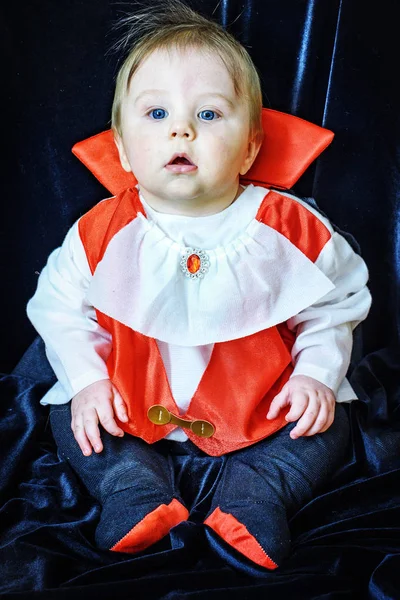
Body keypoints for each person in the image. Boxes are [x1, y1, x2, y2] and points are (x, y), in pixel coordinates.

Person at [26, 0, 371, 574]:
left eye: (209, 115)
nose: (181, 128)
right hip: (131, 399)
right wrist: (87, 381)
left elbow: (338, 305)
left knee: (328, 420)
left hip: (263, 402)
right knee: (72, 415)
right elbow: (59, 310)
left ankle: (258, 491)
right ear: (122, 149)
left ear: (252, 146)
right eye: (156, 113)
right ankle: (132, 488)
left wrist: (316, 372)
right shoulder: (101, 231)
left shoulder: (291, 227)